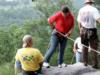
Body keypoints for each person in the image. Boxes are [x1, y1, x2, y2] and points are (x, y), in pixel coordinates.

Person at [77, 0, 100, 68]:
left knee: (85, 46)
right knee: (94, 47)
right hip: (92, 30)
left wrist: (80, 29)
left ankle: (85, 63)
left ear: (85, 3)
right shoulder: (94, 9)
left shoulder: (81, 10)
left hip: (83, 30)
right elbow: (98, 19)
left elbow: (79, 21)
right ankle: (95, 64)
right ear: (91, 3)